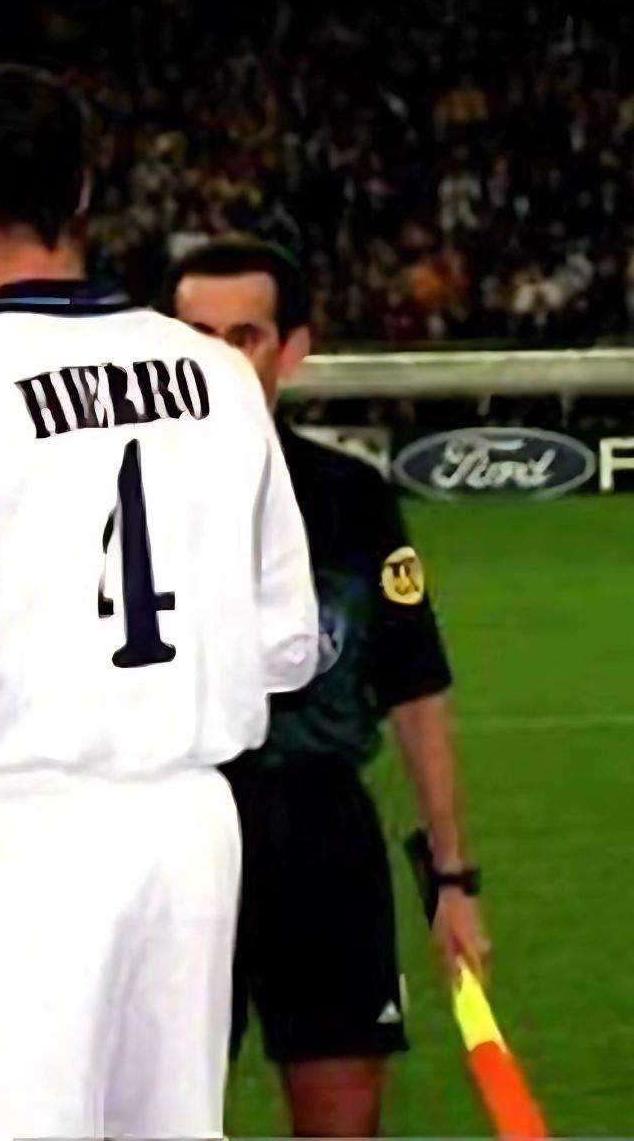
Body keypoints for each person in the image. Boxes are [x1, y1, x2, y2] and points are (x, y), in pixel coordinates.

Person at [0, 64, 320, 1139]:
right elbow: (286, 643)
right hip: (189, 826)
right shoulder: (217, 377)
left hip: (20, 836)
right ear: (82, 193)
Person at [164, 237, 491, 1137]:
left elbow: (416, 685)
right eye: (198, 336)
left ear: (293, 348)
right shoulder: (121, 500)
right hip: (174, 829)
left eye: (246, 335)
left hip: (319, 837)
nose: (221, 361)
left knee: (343, 1114)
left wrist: (453, 880)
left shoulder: (350, 498)